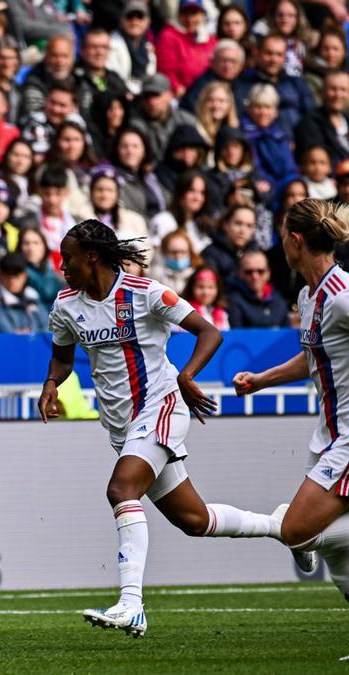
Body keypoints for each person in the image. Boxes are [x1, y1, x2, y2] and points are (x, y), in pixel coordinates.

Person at [39, 220, 288, 639]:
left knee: (120, 491)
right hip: (122, 425)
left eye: (69, 258)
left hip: (162, 405)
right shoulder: (66, 304)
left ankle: (131, 604)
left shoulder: (145, 292)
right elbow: (63, 358)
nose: (63, 266)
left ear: (93, 256)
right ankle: (284, 528)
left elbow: (208, 332)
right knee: (195, 520)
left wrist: (188, 375)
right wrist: (50, 384)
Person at [233, 199, 349, 602]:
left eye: (283, 234)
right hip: (329, 435)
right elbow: (312, 355)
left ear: (296, 240)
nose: (280, 242)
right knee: (340, 557)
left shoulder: (341, 296)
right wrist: (262, 380)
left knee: (296, 529)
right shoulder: (308, 296)